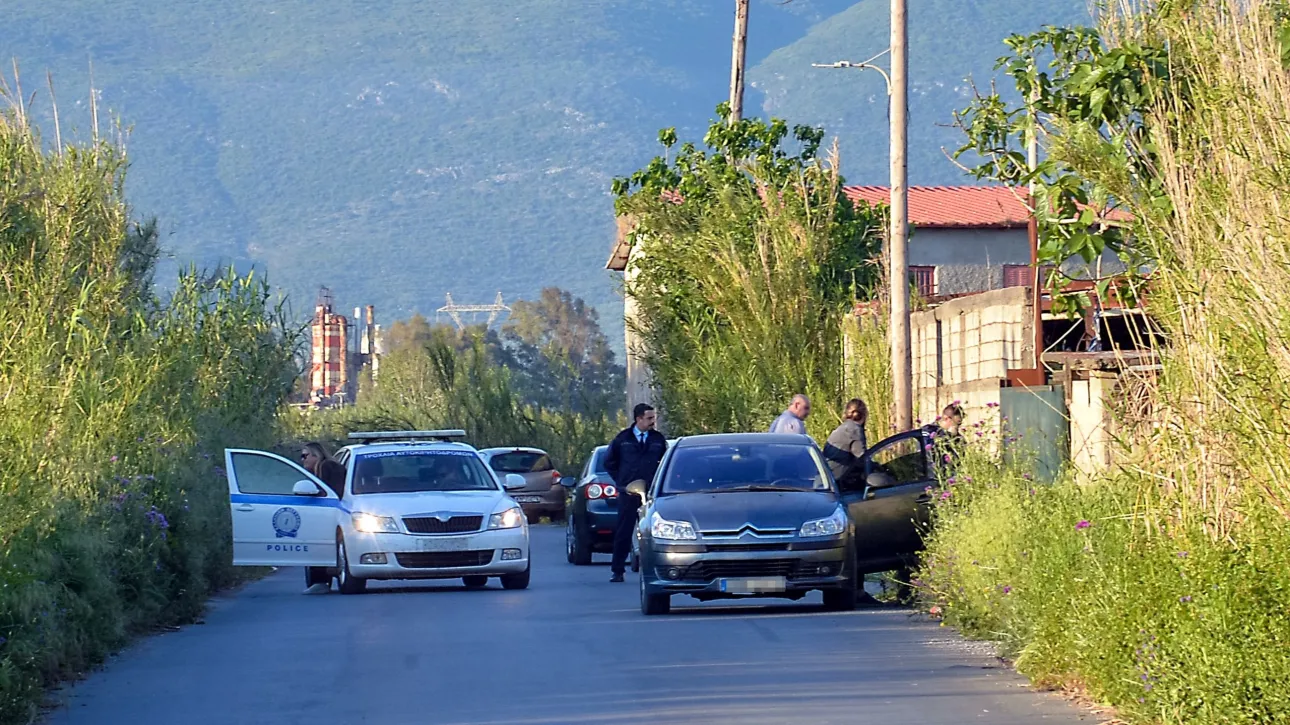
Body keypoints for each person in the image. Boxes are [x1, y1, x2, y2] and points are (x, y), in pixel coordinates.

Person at [604, 403, 667, 583]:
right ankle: (617, 570)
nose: (652, 421)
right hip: (628, 493)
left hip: (651, 494)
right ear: (639, 419)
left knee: (655, 531)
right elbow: (609, 462)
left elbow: (665, 463)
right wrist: (622, 482)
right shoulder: (623, 439)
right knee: (624, 531)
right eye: (649, 418)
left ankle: (657, 569)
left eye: (653, 418)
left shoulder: (657, 439)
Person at [299, 442, 346, 594]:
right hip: (330, 513)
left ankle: (321, 581)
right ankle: (320, 580)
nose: (302, 460)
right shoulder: (318, 470)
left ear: (315, 454)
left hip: (335, 513)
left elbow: (333, 492)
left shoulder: (327, 467)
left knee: (319, 544)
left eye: (304, 455)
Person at [822, 398, 868, 489]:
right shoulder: (855, 431)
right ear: (864, 414)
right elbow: (862, 459)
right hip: (836, 484)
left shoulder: (843, 428)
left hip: (825, 481)